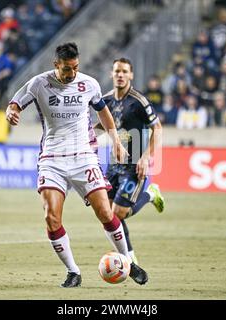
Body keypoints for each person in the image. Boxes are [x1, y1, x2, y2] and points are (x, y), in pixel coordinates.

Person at [6, 43, 148, 287]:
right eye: (66, 69)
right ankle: (73, 272)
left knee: (106, 212)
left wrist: (115, 140)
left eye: (75, 68)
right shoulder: (38, 83)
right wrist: (12, 111)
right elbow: (15, 102)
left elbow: (103, 112)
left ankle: (128, 261)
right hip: (52, 159)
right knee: (51, 218)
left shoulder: (89, 84)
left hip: (84, 157)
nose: (71, 73)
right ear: (56, 66)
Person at [97, 58, 165, 264]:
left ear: (131, 75)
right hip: (113, 165)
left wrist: (146, 157)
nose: (120, 74)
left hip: (134, 165)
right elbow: (104, 124)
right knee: (108, 216)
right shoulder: (105, 100)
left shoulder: (139, 101)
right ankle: (130, 258)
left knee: (120, 212)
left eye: (124, 71)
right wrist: (89, 133)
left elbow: (158, 129)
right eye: (117, 71)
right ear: (112, 74)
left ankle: (150, 194)